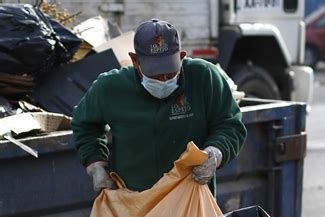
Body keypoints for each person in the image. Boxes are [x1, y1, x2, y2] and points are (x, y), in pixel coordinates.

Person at [71, 19, 247, 195]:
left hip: (190, 199)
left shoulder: (203, 77)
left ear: (181, 57)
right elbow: (84, 124)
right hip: (134, 203)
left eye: (170, 73)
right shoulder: (110, 87)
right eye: (154, 74)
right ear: (135, 61)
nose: (164, 80)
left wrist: (215, 153)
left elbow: (229, 124)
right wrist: (96, 164)